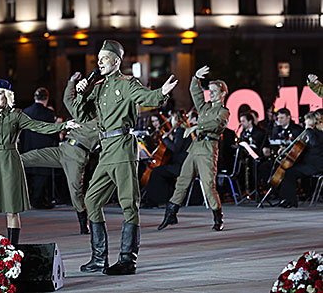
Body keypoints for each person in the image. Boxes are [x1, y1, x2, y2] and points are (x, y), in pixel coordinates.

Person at [74, 39, 177, 275]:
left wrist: (161, 92)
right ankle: (99, 258)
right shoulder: (98, 86)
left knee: (129, 203)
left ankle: (127, 260)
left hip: (122, 146)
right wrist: (80, 93)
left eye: (104, 58)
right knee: (91, 200)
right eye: (98, 58)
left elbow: (146, 97)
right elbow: (81, 114)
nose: (99, 62)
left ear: (116, 61)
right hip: (106, 150)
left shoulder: (127, 83)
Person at [0, 79, 79, 245]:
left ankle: (12, 248)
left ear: (7, 96)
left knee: (12, 210)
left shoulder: (17, 116)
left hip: (10, 161)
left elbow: (39, 126)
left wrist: (64, 126)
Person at [21, 72, 100, 235]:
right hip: (63, 149)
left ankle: (83, 223)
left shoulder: (103, 121)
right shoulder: (81, 113)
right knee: (31, 156)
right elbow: (68, 100)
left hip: (77, 156)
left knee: (75, 192)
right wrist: (71, 81)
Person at [157, 65, 230, 232]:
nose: (210, 93)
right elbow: (195, 93)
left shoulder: (223, 111)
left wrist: (197, 127)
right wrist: (195, 78)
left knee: (208, 185)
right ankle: (171, 214)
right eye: (209, 90)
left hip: (207, 149)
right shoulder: (205, 108)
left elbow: (216, 124)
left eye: (213, 91)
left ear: (223, 93)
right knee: (182, 182)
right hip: (195, 148)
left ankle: (218, 217)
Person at [20, 87, 59, 209]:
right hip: (43, 149)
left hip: (28, 147)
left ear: (34, 97)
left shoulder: (26, 111)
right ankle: (39, 201)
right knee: (41, 177)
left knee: (30, 176)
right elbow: (52, 131)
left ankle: (28, 200)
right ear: (46, 98)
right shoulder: (48, 113)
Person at [144, 111, 192, 207]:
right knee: (160, 171)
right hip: (182, 163)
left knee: (156, 172)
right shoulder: (183, 130)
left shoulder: (180, 130)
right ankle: (163, 199)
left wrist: (165, 139)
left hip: (181, 166)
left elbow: (175, 149)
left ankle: (158, 200)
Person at [276, 111, 323, 208]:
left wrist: (308, 130)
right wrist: (286, 150)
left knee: (289, 172)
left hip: (316, 166)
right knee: (287, 170)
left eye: (306, 121)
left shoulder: (318, 133)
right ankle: (286, 199)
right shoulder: (311, 133)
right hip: (308, 164)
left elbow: (315, 144)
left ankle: (290, 201)